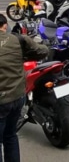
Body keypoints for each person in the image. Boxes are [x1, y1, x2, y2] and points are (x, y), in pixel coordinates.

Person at [0, 14, 49, 162]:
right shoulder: (18, 39)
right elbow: (43, 51)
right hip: (18, 97)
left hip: (1, 101)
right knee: (10, 135)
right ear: (4, 25)